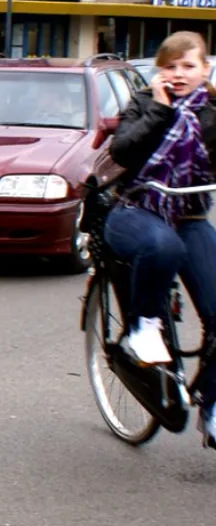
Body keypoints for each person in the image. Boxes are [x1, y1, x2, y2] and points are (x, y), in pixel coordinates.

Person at [104, 31, 216, 444]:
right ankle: (143, 326)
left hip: (189, 215)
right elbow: (123, 153)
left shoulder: (213, 112)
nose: (179, 74)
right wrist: (160, 110)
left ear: (205, 70)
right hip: (136, 210)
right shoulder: (143, 104)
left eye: (188, 66)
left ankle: (213, 404)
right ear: (158, 72)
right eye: (170, 66)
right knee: (163, 247)